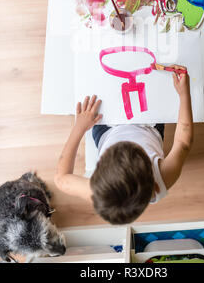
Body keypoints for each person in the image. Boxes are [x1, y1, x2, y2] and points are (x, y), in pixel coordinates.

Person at [54, 65, 193, 225]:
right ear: (155, 186)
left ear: (97, 177)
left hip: (106, 131)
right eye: (138, 150)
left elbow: (61, 178)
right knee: (153, 82)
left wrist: (79, 128)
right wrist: (184, 95)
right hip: (150, 125)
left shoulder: (98, 190)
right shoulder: (164, 177)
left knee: (99, 81)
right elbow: (183, 143)